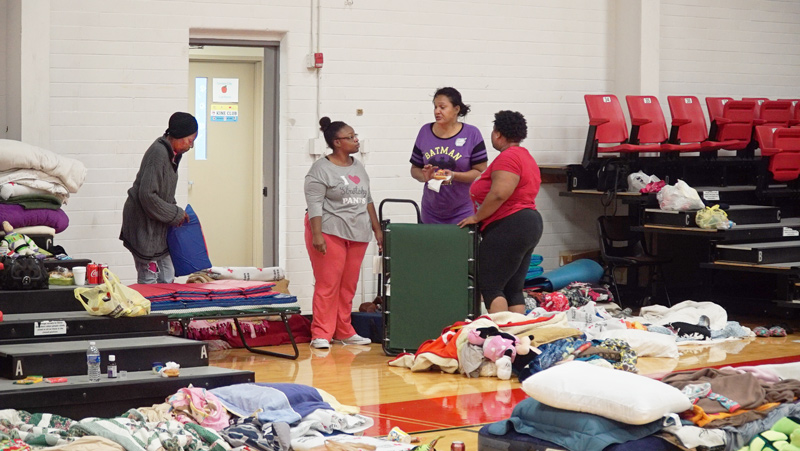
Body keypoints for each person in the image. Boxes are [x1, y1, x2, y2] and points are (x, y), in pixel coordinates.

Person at [305, 117, 383, 350]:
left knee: (348, 285)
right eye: (350, 137)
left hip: (357, 232)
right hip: (329, 230)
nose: (356, 140)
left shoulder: (358, 165)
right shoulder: (320, 169)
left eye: (355, 135)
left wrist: (377, 229)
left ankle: (344, 330)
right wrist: (317, 235)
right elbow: (314, 204)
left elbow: (366, 198)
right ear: (337, 142)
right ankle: (321, 332)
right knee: (328, 284)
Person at [459, 111, 543, 313]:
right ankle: (516, 337)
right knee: (513, 288)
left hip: (509, 224)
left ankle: (502, 339)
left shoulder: (509, 157)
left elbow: (499, 193)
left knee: (490, 286)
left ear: (497, 134)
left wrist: (477, 217)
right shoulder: (525, 156)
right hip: (528, 223)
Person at [120, 112, 194, 284]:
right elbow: (147, 196)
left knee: (167, 274)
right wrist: (176, 214)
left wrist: (176, 214)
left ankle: (166, 309)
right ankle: (151, 308)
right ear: (178, 135)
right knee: (150, 278)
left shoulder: (172, 155)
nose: (191, 146)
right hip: (143, 225)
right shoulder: (158, 153)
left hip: (156, 226)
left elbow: (164, 193)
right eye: (190, 141)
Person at [410, 87, 488, 224]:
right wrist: (424, 176)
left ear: (456, 109)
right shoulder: (425, 131)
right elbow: (414, 169)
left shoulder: (472, 134)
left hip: (463, 210)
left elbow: (480, 173)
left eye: (442, 107)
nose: (436, 111)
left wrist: (454, 175)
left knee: (459, 245)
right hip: (431, 211)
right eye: (435, 107)